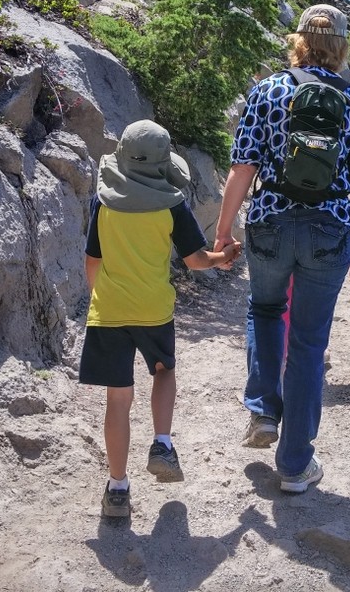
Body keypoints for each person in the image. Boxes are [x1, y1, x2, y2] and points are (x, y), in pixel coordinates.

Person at [214, 4, 350, 494]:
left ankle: (264, 411)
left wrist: (223, 232)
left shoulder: (267, 91)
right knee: (309, 343)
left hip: (268, 221)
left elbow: (242, 169)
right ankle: (295, 465)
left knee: (264, 311)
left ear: (299, 42)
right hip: (330, 230)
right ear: (341, 47)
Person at [81, 119, 243, 518]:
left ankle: (117, 490)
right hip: (154, 308)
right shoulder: (171, 204)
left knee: (117, 400)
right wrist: (223, 259)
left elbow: (92, 261)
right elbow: (196, 260)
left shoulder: (104, 201)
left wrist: (103, 299)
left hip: (110, 310)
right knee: (163, 370)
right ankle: (162, 444)